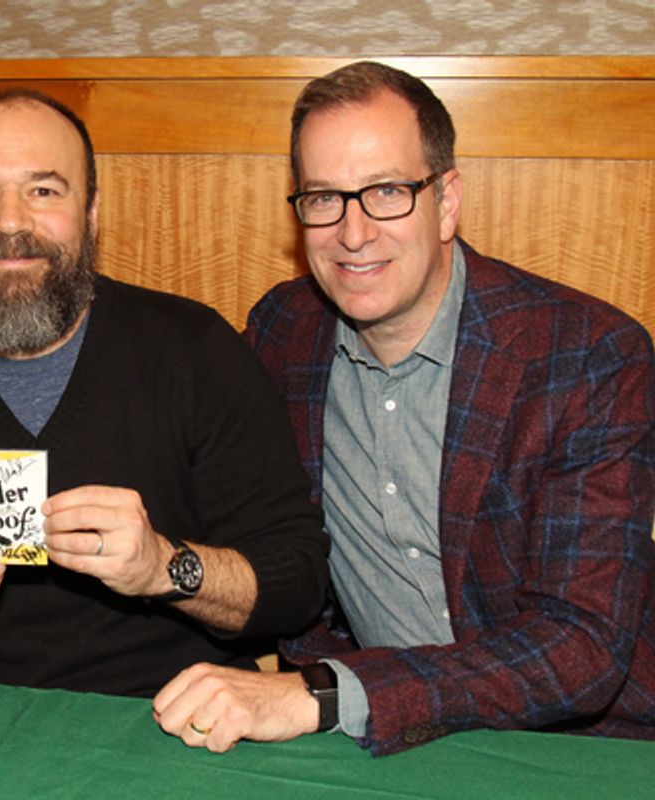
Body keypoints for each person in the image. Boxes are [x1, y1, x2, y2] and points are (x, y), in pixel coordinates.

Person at [153, 61, 655, 755]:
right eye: (324, 197)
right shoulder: (283, 333)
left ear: (447, 201)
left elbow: (580, 648)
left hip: (590, 742)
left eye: (388, 191)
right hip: (379, 739)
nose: (353, 234)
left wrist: (330, 692)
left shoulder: (588, 356)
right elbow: (187, 456)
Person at [0, 89, 328, 697]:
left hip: (168, 720)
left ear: (91, 214)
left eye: (44, 190)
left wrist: (163, 568)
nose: (10, 222)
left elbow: (298, 581)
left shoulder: (196, 354)